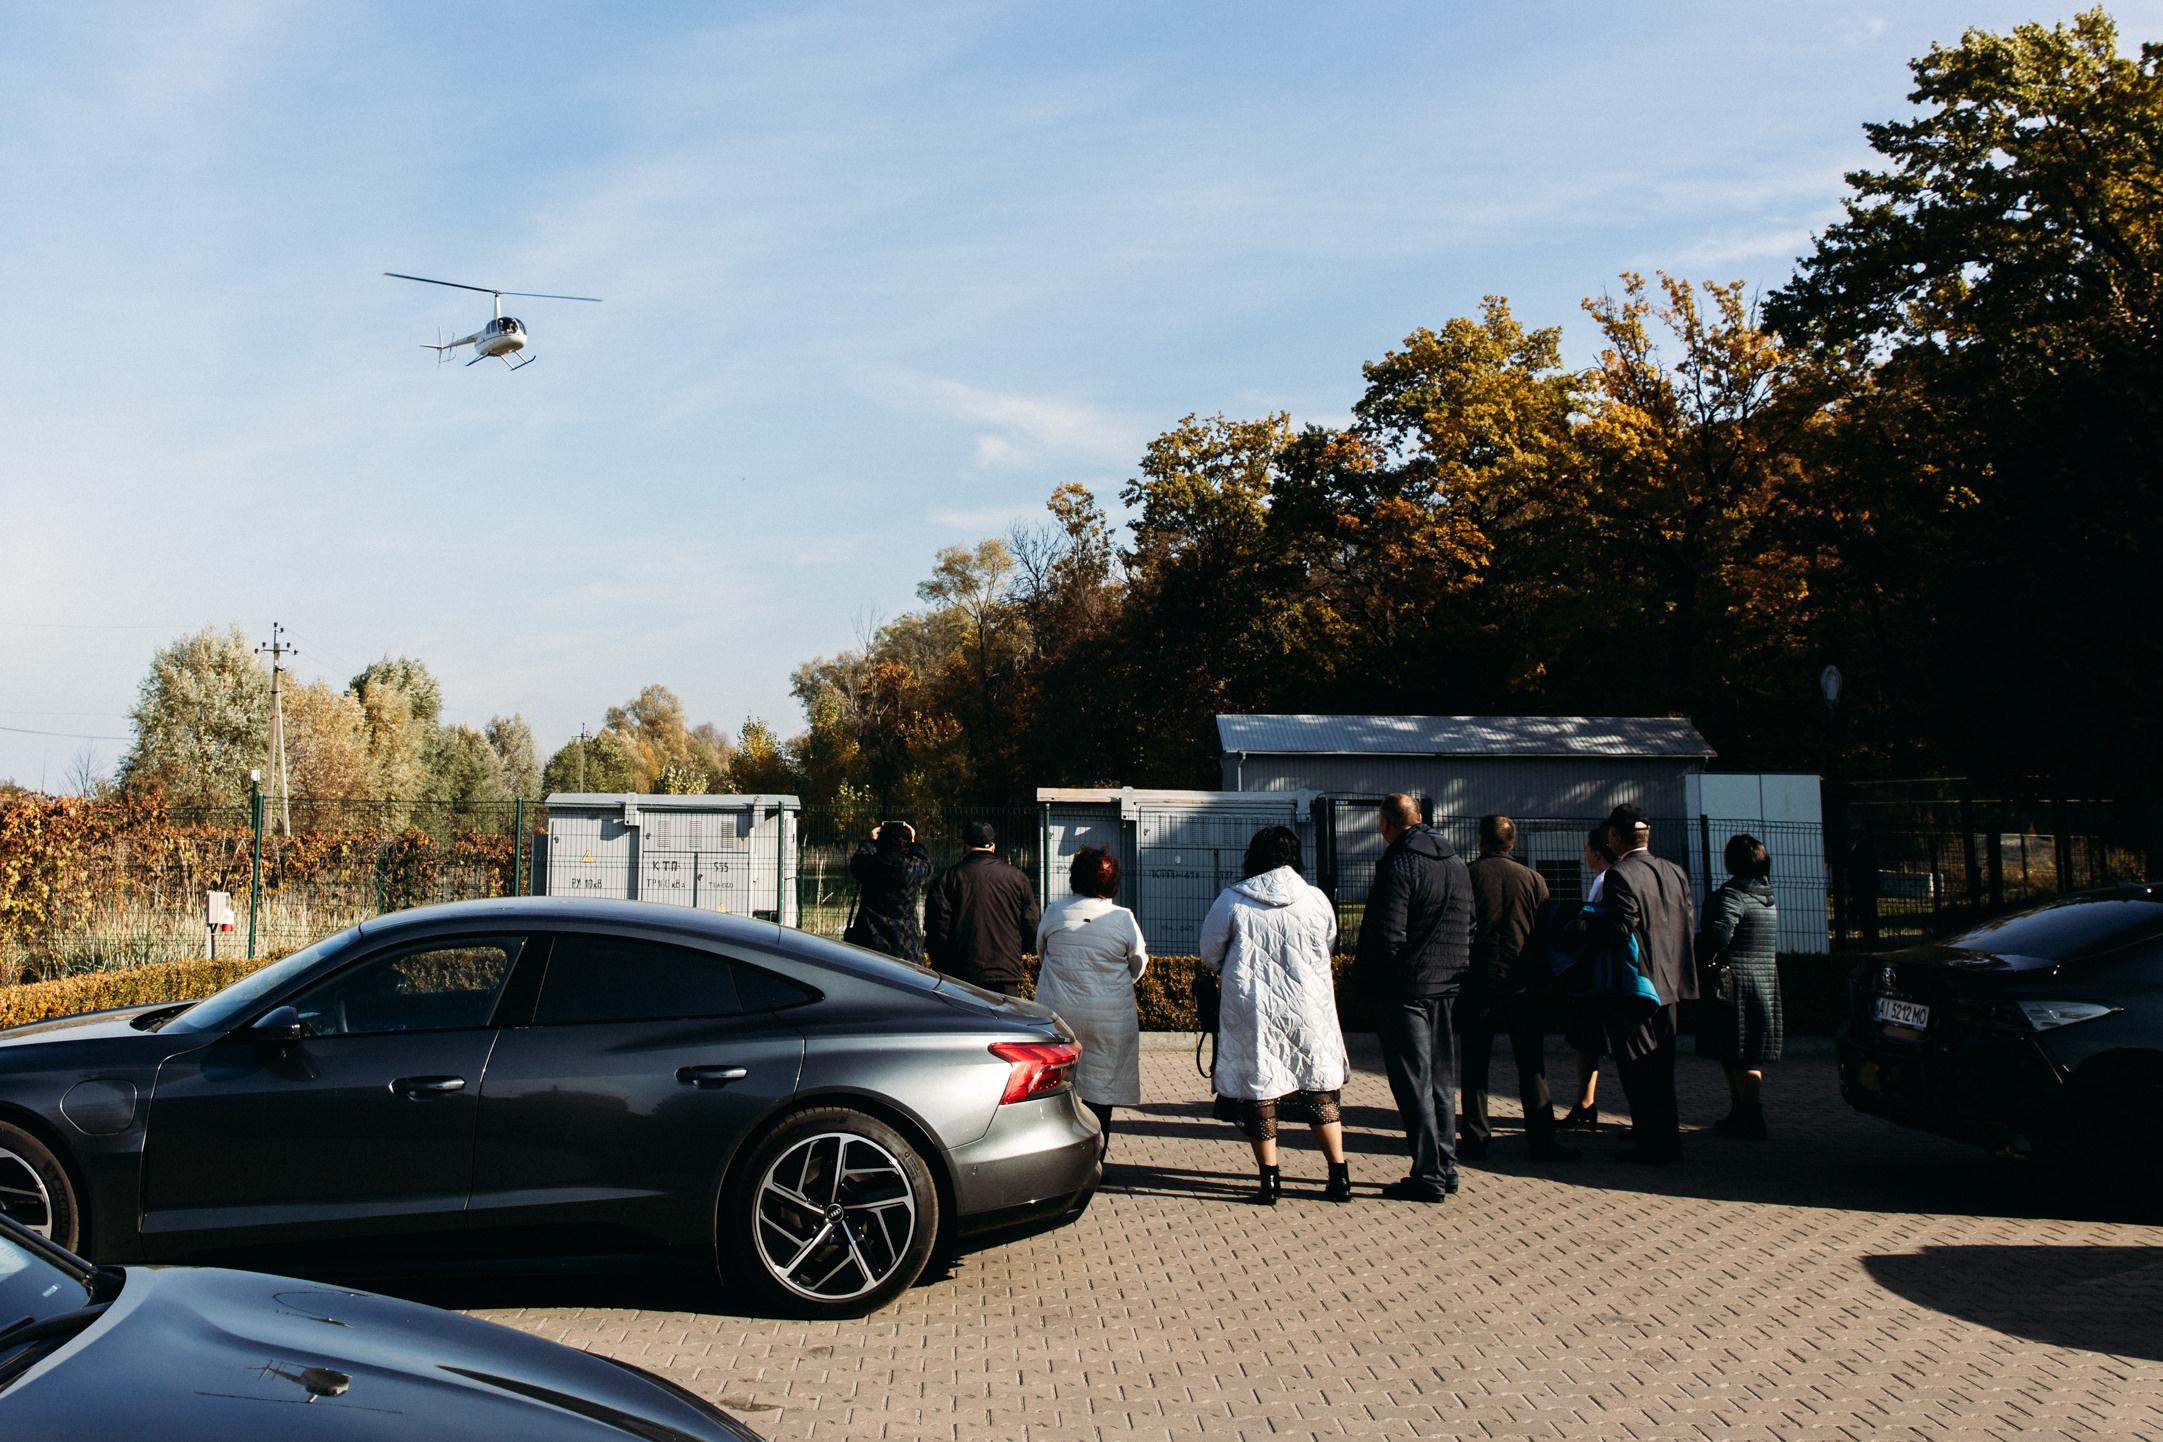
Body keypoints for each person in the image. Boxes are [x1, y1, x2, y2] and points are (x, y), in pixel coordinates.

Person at [1199, 825, 1350, 1206]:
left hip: (1255, 1011)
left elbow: (1209, 954)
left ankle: (1269, 1181)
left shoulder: (1233, 900)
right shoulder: (1315, 899)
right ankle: (1339, 1175)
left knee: (1260, 1087)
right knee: (1318, 1085)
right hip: (1308, 1009)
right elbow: (1328, 942)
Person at [1562, 802, 1696, 1164]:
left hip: (1639, 985)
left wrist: (1584, 925)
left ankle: (1652, 1144)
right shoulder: (1674, 871)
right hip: (1672, 982)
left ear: (1616, 838)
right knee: (1662, 1068)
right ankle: (1667, 1139)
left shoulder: (1621, 874)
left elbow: (1621, 926)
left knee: (1637, 1069)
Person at [1355, 792, 1473, 1203]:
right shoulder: (1456, 863)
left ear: (1386, 825)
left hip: (1407, 988)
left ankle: (1427, 1175)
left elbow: (1387, 935)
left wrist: (1373, 980)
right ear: (1420, 818)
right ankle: (1446, 1166)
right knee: (1441, 1079)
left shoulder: (1399, 863)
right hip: (1447, 984)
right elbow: (1469, 925)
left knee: (1413, 1083)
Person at [1459, 815, 1574, 1162]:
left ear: (1481, 840)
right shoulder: (1534, 880)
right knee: (1531, 1064)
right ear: (1513, 843)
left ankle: (1476, 1137)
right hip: (1523, 984)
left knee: (1475, 1064)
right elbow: (1544, 935)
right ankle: (1541, 1138)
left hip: (1478, 981)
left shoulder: (1468, 875)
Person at [1034, 846, 1148, 1159]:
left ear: (1075, 877)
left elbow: (1043, 952)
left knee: (1056, 1086)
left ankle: (1057, 1159)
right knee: (1101, 1090)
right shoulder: (1123, 918)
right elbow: (1137, 963)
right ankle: (1095, 1160)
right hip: (1108, 1018)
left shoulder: (1055, 911)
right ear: (1114, 881)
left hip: (1059, 1014)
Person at [1697, 833, 1782, 1140]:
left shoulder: (1732, 895)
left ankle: (1749, 1113)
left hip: (1733, 982)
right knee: (1744, 1050)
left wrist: (1696, 947)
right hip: (1763, 980)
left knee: (1738, 1051)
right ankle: (1743, 1111)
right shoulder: (1766, 896)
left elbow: (1719, 936)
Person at [924, 819, 1041, 995]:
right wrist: (1013, 952)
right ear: (993, 847)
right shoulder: (1018, 878)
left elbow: (937, 931)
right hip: (1006, 972)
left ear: (964, 846)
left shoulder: (948, 879)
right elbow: (1031, 925)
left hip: (962, 976)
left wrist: (946, 968)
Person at [1559, 825, 1614, 1132]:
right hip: (1610, 973)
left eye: (1586, 849)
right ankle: (1585, 1104)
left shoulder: (1605, 881)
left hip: (1599, 975)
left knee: (1588, 1041)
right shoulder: (1609, 878)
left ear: (1596, 851)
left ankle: (1585, 1103)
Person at [845, 821, 932, 962]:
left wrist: (871, 842)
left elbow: (857, 860)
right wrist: (914, 842)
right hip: (907, 945)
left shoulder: (869, 865)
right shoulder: (914, 869)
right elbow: (926, 863)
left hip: (870, 944)